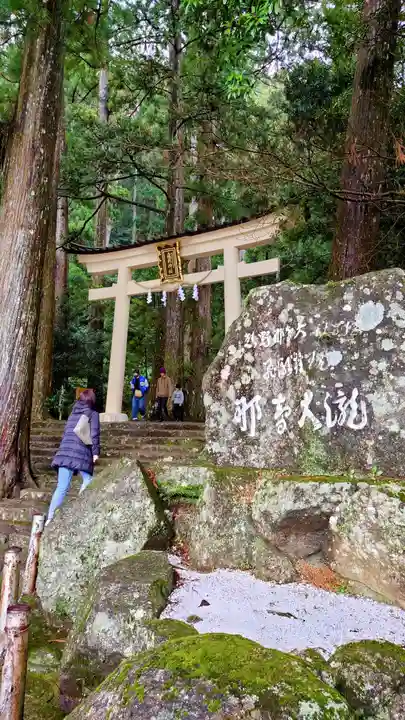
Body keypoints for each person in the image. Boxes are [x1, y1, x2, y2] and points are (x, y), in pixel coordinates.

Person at [46, 389, 100, 526]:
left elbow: (66, 433)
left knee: (61, 487)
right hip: (81, 454)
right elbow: (94, 434)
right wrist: (95, 453)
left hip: (64, 452)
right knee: (88, 480)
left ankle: (50, 518)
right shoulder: (93, 414)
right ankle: (78, 509)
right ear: (92, 400)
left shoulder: (72, 414)